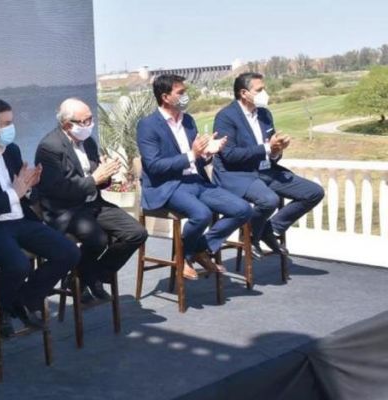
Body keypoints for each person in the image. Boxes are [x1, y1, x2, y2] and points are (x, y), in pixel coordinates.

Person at [0, 98, 80, 337]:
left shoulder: (12, 150)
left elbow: (23, 192)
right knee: (19, 265)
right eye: (6, 124)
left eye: (12, 122)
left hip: (20, 220)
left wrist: (29, 187)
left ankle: (22, 300)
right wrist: (13, 194)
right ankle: (5, 309)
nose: (12, 128)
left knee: (69, 252)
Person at [137, 75, 253, 280]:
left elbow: (197, 158)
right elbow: (154, 166)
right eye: (180, 92)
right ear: (165, 97)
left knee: (242, 209)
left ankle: (197, 249)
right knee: (202, 214)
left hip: (196, 181)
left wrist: (208, 152)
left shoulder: (188, 120)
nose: (185, 96)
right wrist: (192, 154)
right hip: (168, 185)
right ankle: (185, 257)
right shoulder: (148, 125)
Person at [35, 98, 148, 303]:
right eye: (84, 121)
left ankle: (89, 275)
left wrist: (107, 175)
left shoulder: (88, 141)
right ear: (67, 125)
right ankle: (87, 278)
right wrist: (94, 179)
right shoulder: (49, 147)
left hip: (93, 203)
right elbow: (56, 189)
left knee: (136, 233)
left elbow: (98, 178)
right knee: (97, 238)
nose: (90, 124)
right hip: (66, 209)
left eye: (90, 119)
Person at [213, 72, 325, 258]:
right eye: (259, 90)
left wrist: (276, 150)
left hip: (266, 171)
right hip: (238, 175)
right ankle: (251, 235)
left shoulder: (264, 114)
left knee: (314, 192)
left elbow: (271, 151)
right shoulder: (226, 117)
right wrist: (266, 147)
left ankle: (269, 229)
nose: (264, 93)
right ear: (244, 93)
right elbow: (229, 155)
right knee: (269, 200)